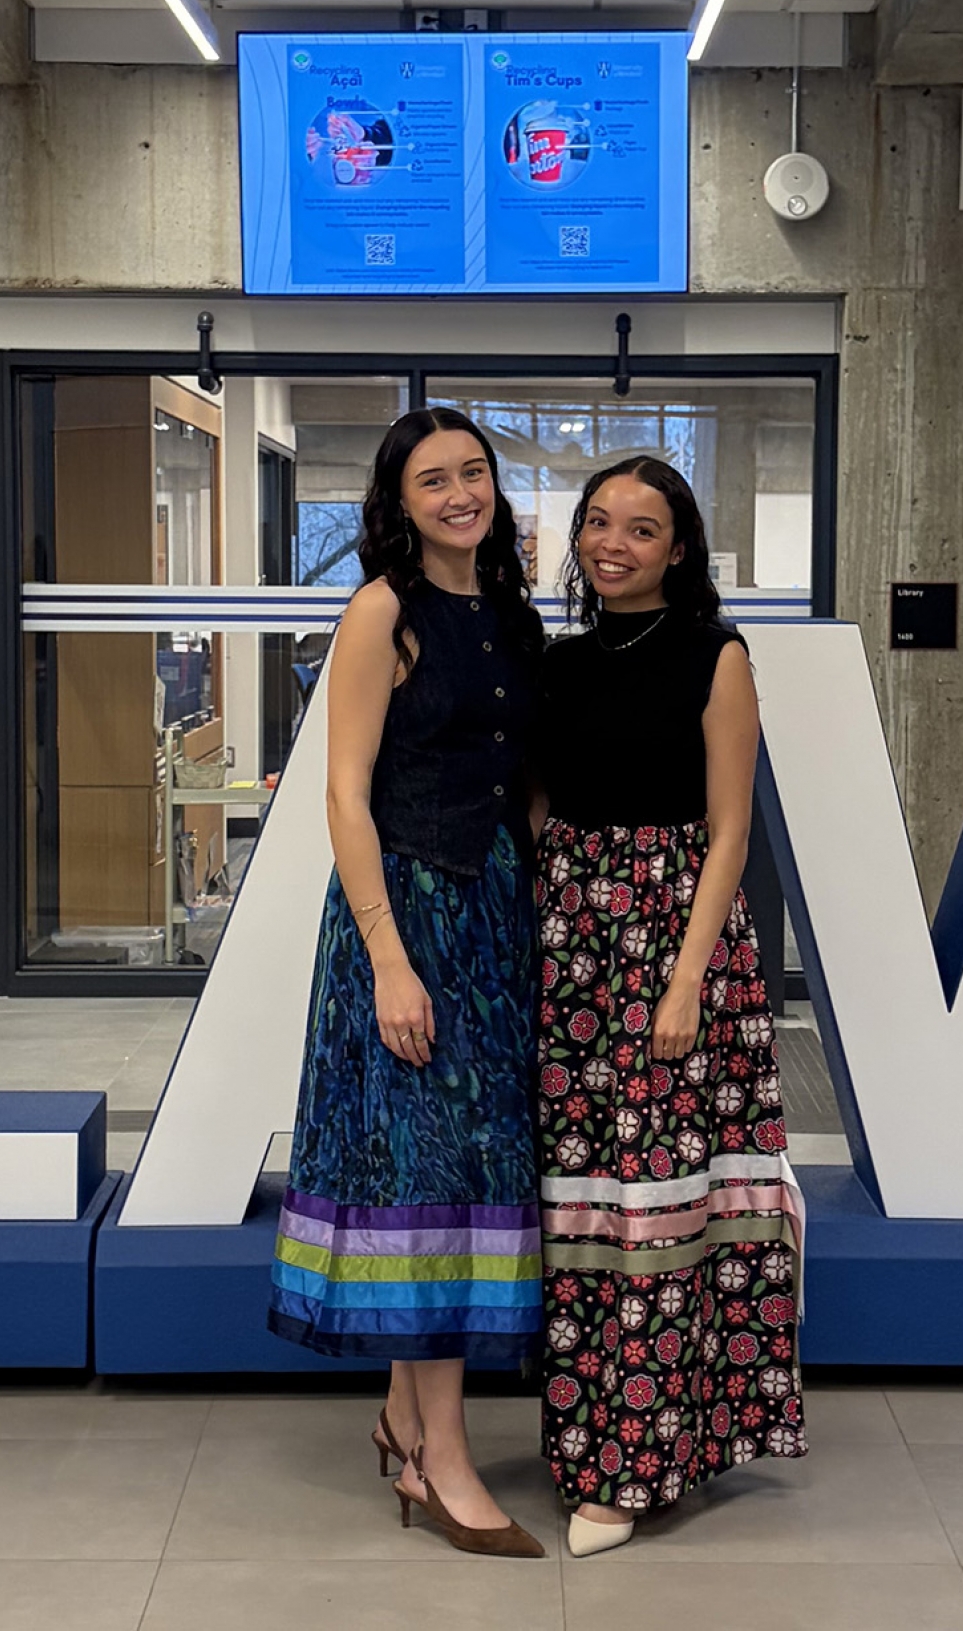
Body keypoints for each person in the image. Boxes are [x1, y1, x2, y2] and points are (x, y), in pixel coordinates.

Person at [265, 406, 549, 1559]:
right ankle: (441, 1462)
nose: (459, 494)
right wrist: (388, 957)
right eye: (433, 479)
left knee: (461, 1168)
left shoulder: (515, 615)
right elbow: (344, 795)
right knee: (424, 1175)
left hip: (492, 921)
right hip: (405, 922)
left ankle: (400, 1410)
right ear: (398, 500)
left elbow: (520, 779)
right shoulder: (381, 610)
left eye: (473, 473)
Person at [530, 454, 806, 1558]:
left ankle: (641, 1462)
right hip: (571, 948)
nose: (613, 543)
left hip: (676, 948)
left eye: (641, 529)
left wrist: (685, 977)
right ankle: (590, 1443)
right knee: (582, 1213)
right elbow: (542, 805)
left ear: (678, 549)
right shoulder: (553, 662)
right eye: (598, 523)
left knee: (663, 1211)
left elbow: (730, 830)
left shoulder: (715, 656)